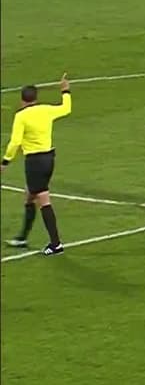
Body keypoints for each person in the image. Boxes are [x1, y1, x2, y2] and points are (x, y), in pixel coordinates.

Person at [2, 73, 71, 255]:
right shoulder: (46, 110)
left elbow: (15, 142)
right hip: (49, 159)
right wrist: (65, 90)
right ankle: (22, 238)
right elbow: (66, 109)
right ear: (35, 98)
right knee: (29, 196)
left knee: (43, 199)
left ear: (22, 99)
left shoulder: (21, 116)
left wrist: (5, 162)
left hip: (34, 162)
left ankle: (56, 244)